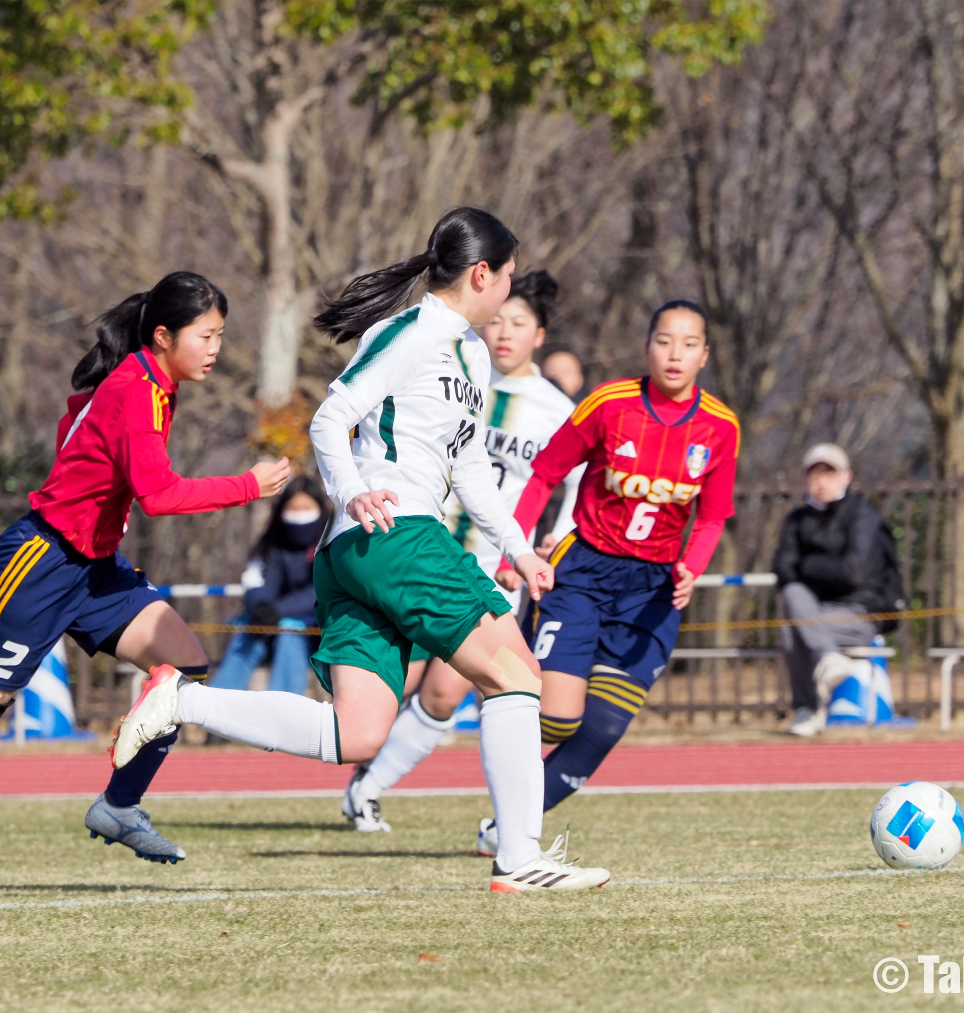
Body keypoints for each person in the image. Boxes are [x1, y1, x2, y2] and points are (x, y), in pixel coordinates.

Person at [110, 208, 610, 892]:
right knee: (516, 678)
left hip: (364, 553)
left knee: (357, 733)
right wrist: (350, 491)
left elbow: (467, 472)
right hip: (398, 535)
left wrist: (519, 549)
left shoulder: (468, 354)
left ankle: (180, 703)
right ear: (482, 274)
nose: (510, 294)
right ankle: (520, 859)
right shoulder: (412, 332)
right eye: (509, 278)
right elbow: (330, 416)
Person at [0, 272, 291, 857]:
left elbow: (79, 433)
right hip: (38, 566)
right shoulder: (136, 389)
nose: (216, 348)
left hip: (94, 570)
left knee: (182, 663)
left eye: (221, 334)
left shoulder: (150, 384)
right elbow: (160, 495)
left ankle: (119, 808)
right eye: (206, 335)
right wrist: (248, 485)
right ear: (164, 336)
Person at [470, 297, 738, 855]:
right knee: (559, 720)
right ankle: (502, 715)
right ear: (647, 347)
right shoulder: (609, 403)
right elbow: (544, 475)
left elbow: (712, 515)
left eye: (689, 344)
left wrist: (693, 567)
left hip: (653, 592)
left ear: (704, 356)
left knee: (603, 729)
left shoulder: (720, 426)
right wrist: (512, 553)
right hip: (585, 572)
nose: (674, 354)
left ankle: (506, 831)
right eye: (664, 341)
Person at [340, 269, 583, 833]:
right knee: (386, 685)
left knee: (451, 691)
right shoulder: (459, 366)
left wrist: (550, 540)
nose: (504, 332)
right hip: (418, 542)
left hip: (495, 560)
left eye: (519, 324)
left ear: (539, 337)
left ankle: (369, 789)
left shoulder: (552, 408)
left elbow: (576, 478)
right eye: (497, 319)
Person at [772, 444, 896, 737]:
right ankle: (826, 661)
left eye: (829, 473)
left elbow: (852, 574)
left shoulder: (863, 516)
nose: (822, 481)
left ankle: (807, 709)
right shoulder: (797, 520)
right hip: (814, 612)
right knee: (792, 595)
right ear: (805, 480)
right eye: (815, 474)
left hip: (861, 611)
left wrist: (807, 563)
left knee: (793, 627)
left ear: (846, 476)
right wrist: (820, 571)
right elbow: (782, 571)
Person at [208, 477, 328, 697]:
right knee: (250, 627)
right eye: (293, 508)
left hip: (317, 631)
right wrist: (261, 607)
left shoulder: (331, 543)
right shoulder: (271, 545)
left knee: (289, 631)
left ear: (320, 508)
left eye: (306, 508)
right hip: (272, 622)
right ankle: (217, 705)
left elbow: (321, 591)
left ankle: (283, 709)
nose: (299, 515)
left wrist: (278, 611)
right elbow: (259, 581)